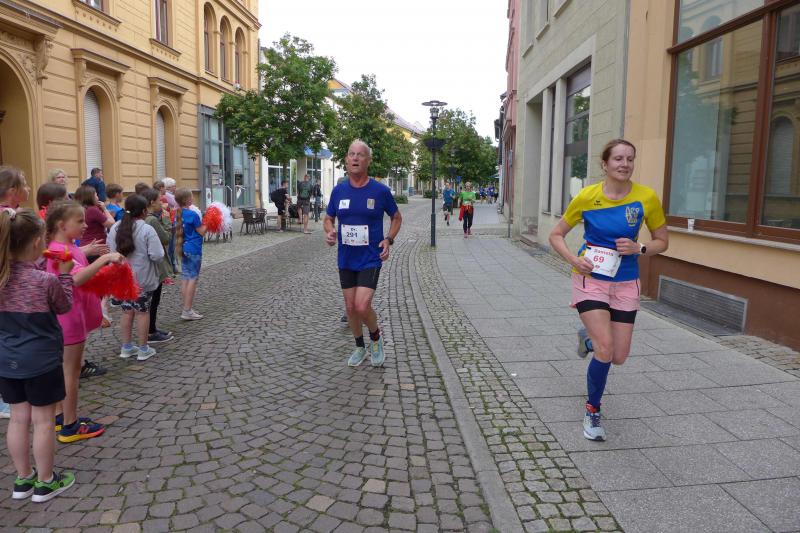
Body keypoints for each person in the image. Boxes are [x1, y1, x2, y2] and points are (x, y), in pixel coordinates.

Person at [548, 139, 669, 442]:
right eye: (618, 158)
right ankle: (593, 411)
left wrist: (640, 248)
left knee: (618, 356)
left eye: (630, 159)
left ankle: (587, 339)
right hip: (590, 280)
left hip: (626, 282)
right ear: (604, 164)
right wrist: (573, 259)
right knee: (605, 349)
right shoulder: (587, 197)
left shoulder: (646, 198)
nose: (624, 164)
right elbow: (556, 235)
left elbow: (662, 241)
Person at [0, 208, 77, 502]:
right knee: (43, 421)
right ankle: (46, 482)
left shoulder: (2, 277)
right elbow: (64, 306)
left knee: (18, 419)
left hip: (7, 360)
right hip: (41, 360)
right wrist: (65, 275)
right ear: (36, 242)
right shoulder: (46, 281)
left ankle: (23, 479)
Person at [45, 200, 123, 443]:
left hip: (72, 317)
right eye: (79, 221)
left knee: (65, 370)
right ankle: (70, 425)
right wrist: (105, 258)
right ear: (61, 225)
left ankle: (60, 416)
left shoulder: (66, 246)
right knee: (71, 372)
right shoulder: (59, 250)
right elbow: (75, 278)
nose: (85, 225)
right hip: (69, 320)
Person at [324, 140, 402, 367]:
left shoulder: (380, 191)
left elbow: (397, 217)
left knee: (361, 306)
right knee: (350, 308)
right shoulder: (339, 191)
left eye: (360, 155)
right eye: (351, 154)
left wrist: (388, 239)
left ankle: (376, 338)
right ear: (346, 160)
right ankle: (360, 347)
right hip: (346, 258)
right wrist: (330, 232)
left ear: (368, 160)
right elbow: (329, 218)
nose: (355, 158)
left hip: (370, 258)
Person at [108, 195, 165, 361]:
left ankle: (126, 347)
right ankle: (143, 348)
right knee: (142, 312)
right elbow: (157, 255)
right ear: (144, 211)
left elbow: (111, 252)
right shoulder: (147, 229)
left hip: (122, 277)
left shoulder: (115, 227)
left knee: (126, 312)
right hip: (142, 278)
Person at [0, 166, 32, 419]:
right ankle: (5, 398)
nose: (28, 188)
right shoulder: (11, 219)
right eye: (25, 184)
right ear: (13, 191)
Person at [141, 188, 174, 343]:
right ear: (152, 202)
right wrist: (167, 221)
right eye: (159, 200)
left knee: (149, 300)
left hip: (144, 264)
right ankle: (151, 331)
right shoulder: (152, 220)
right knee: (153, 300)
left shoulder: (143, 218)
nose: (162, 203)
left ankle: (150, 329)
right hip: (155, 265)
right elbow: (166, 238)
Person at [175, 188, 206, 320]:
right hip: (194, 249)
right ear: (187, 200)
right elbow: (202, 232)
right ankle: (187, 310)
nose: (193, 198)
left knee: (186, 278)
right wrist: (209, 221)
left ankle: (187, 307)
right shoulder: (193, 214)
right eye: (191, 196)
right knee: (193, 279)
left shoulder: (177, 213)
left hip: (183, 248)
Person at [73, 185, 115, 263]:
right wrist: (105, 209)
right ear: (90, 197)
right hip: (97, 247)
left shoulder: (80, 209)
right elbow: (111, 224)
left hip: (85, 245)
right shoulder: (92, 210)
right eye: (96, 195)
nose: (98, 197)